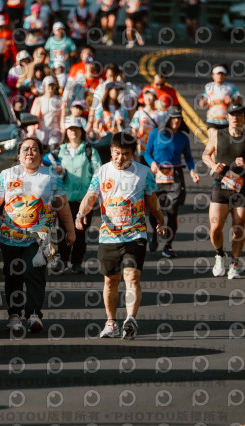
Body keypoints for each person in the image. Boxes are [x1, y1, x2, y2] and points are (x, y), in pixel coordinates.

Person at [75, 132, 166, 339]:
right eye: (116, 153)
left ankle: (130, 319)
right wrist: (81, 214)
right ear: (111, 151)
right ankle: (111, 323)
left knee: (132, 276)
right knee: (111, 280)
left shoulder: (143, 172)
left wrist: (161, 221)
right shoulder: (102, 172)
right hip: (109, 236)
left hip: (135, 234)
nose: (120, 158)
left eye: (125, 154)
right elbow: (90, 196)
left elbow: (152, 200)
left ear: (133, 154)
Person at [0, 137, 76, 332]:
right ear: (18, 155)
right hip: (10, 237)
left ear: (41, 154)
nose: (29, 153)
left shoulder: (51, 177)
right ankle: (14, 315)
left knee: (34, 273)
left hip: (39, 238)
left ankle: (34, 314)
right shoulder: (6, 175)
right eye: (25, 149)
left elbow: (62, 206)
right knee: (13, 276)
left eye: (34, 149)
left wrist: (70, 231)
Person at [201, 103, 245, 279]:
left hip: (240, 190)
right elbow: (205, 154)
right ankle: (220, 254)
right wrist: (213, 165)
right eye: (232, 115)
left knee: (238, 229)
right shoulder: (217, 135)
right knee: (215, 228)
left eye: (239, 115)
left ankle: (234, 264)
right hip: (220, 187)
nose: (236, 118)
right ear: (227, 117)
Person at [144, 106, 199, 258]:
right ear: (167, 119)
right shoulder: (155, 134)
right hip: (158, 175)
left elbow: (188, 157)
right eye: (173, 119)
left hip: (175, 176)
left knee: (172, 211)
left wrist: (192, 171)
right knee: (154, 210)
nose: (176, 122)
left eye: (178, 119)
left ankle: (168, 245)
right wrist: (152, 163)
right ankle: (154, 234)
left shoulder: (183, 138)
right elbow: (147, 153)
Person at [56, 116, 102, 273]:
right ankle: (62, 260)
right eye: (70, 129)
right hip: (64, 200)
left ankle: (77, 262)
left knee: (81, 232)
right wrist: (55, 171)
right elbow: (50, 172)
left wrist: (95, 193)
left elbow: (98, 173)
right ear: (66, 131)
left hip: (85, 200)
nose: (73, 132)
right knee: (63, 230)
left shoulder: (90, 151)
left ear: (81, 131)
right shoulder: (59, 151)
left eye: (76, 128)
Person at [198, 64, 243, 147]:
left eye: (222, 74)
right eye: (218, 74)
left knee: (225, 145)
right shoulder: (209, 86)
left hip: (226, 121)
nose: (220, 76)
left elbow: (239, 99)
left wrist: (232, 99)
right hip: (212, 120)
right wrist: (202, 103)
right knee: (213, 141)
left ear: (225, 75)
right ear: (213, 75)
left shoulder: (230, 87)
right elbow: (204, 99)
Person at [28, 76, 64, 150]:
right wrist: (31, 132)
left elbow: (62, 118)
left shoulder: (60, 101)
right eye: (49, 85)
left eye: (52, 85)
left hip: (55, 133)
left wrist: (63, 133)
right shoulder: (39, 100)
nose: (51, 87)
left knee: (54, 152)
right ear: (44, 86)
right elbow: (33, 117)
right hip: (41, 132)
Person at [129, 87, 164, 157]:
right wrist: (133, 146)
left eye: (150, 95)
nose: (148, 98)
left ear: (155, 98)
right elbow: (134, 131)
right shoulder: (139, 113)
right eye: (145, 95)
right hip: (142, 147)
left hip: (156, 147)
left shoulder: (161, 114)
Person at [0, 14, 18, 82]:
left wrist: (8, 43)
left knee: (5, 70)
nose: (1, 27)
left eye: (2, 25)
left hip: (6, 55)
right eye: (0, 25)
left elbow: (13, 44)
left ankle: (5, 81)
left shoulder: (9, 32)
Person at [7, 50, 33, 115]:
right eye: (23, 60)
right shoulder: (13, 71)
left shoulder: (32, 70)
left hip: (30, 98)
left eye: (26, 60)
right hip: (16, 98)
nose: (25, 62)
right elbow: (10, 84)